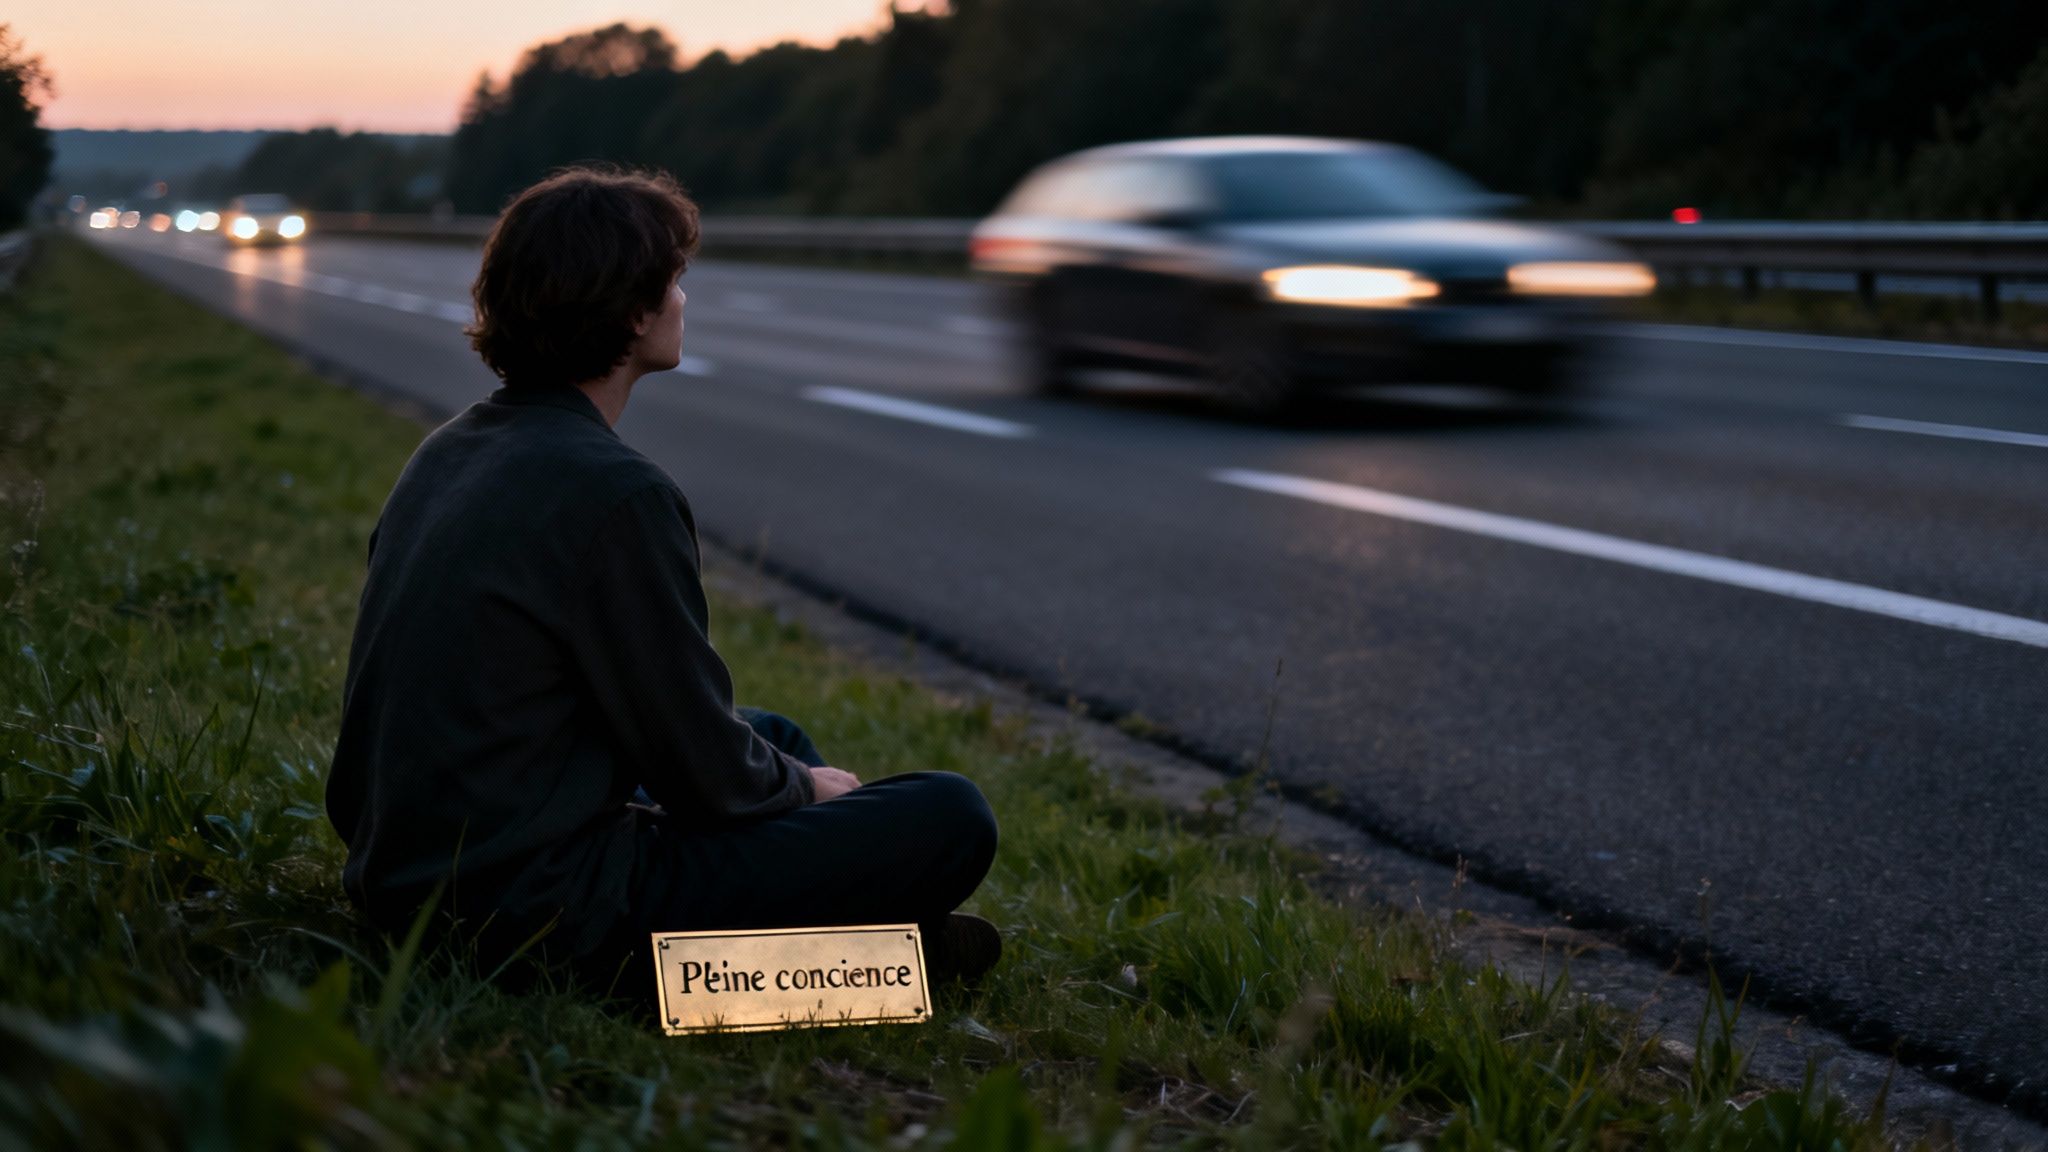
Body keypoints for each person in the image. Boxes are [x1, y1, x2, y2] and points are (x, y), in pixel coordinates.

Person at [323, 166, 1001, 1013]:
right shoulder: (616, 493)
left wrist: (784, 779)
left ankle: (839, 936)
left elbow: (674, 732)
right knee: (950, 814)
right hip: (535, 911)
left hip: (407, 871)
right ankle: (838, 969)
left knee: (774, 734)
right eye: (674, 280)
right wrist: (808, 792)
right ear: (633, 311)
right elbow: (700, 769)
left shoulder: (450, 449)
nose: (683, 298)